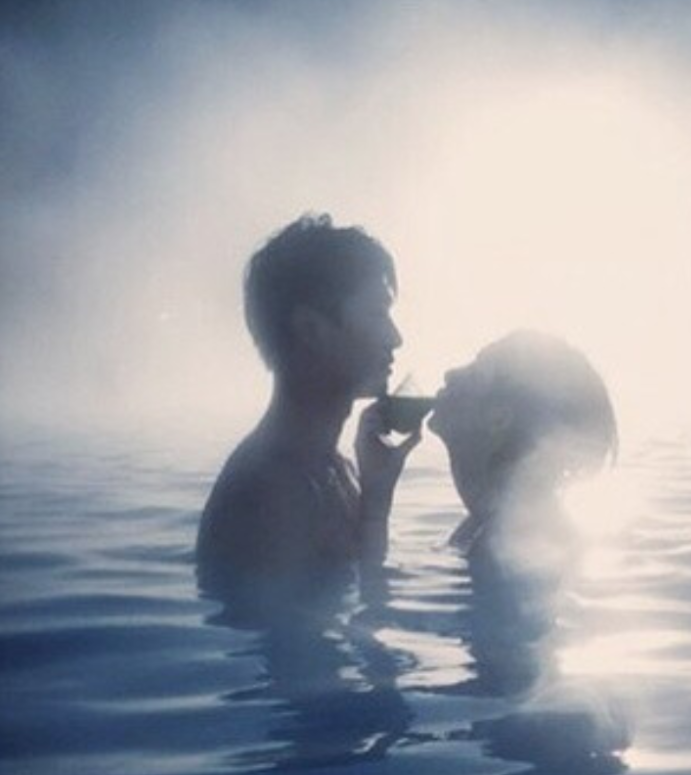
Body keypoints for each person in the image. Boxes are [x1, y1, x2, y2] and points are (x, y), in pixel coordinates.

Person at [196, 214, 419, 624]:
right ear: (312, 329)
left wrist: (376, 502)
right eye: (377, 314)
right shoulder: (272, 493)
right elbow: (293, 649)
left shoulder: (331, 468)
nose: (395, 337)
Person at [428, 330, 617, 581]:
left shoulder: (507, 539)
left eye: (475, 373)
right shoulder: (490, 523)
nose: (450, 373)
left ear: (499, 418)